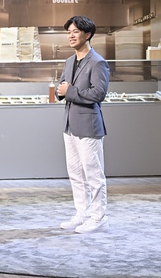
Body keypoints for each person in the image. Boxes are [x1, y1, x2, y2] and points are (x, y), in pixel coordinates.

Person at [56, 15, 110, 234]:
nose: (71, 35)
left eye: (75, 31)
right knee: (76, 174)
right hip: (69, 125)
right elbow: (61, 86)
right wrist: (61, 91)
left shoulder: (98, 62)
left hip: (88, 125)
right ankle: (82, 214)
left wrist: (69, 91)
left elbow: (98, 93)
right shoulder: (70, 61)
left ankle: (99, 217)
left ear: (88, 35)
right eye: (69, 32)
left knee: (93, 175)